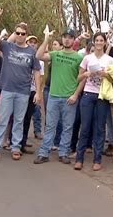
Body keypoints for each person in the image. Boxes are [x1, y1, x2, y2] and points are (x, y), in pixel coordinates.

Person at [0, 8, 42, 161]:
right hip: (7, 90)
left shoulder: (32, 52)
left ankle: (16, 147)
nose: (20, 36)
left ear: (27, 35)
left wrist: (38, 92)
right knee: (2, 119)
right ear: (14, 34)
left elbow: (36, 72)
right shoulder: (7, 47)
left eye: (23, 33)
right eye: (17, 33)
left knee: (18, 120)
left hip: (23, 91)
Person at [33, 28, 84, 164]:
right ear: (62, 39)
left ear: (74, 40)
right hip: (54, 96)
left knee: (67, 126)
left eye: (70, 37)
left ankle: (63, 153)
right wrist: (46, 39)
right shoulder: (55, 54)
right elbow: (38, 56)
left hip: (69, 98)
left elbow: (83, 78)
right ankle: (44, 153)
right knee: (50, 126)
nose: (67, 39)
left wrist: (75, 94)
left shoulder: (79, 58)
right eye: (65, 37)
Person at [74, 32, 113, 171]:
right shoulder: (87, 58)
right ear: (93, 42)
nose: (98, 43)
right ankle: (79, 158)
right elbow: (78, 78)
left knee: (99, 128)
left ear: (104, 42)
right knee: (85, 127)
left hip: (102, 96)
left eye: (101, 40)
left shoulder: (109, 60)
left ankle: (97, 160)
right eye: (96, 40)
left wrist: (105, 75)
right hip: (87, 94)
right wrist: (86, 74)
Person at [21, 35, 44, 154]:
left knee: (27, 118)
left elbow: (40, 77)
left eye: (35, 42)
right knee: (18, 118)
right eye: (30, 42)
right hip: (20, 91)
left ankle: (23, 143)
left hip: (32, 91)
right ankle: (13, 141)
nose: (32, 44)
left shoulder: (40, 60)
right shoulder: (22, 55)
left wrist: (38, 93)